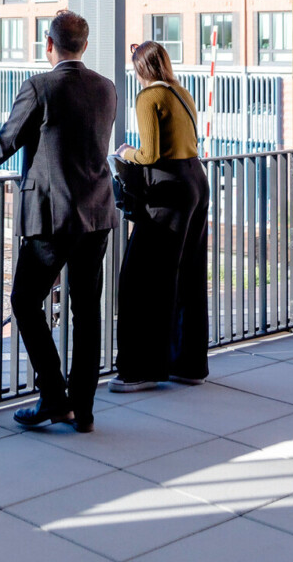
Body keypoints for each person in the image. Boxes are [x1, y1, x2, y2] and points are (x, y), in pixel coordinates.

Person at [0, 10, 117, 433]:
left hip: (52, 217)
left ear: (49, 44)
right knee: (87, 313)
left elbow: (6, 140)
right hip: (96, 214)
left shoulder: (39, 87)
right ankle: (84, 411)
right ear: (86, 45)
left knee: (24, 301)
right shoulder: (106, 88)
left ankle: (55, 398)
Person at [110, 41, 209, 391]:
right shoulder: (181, 91)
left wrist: (125, 152)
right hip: (196, 182)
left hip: (168, 191)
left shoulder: (148, 97)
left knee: (139, 279)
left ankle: (140, 371)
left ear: (141, 69)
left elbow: (149, 153)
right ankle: (189, 365)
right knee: (188, 275)